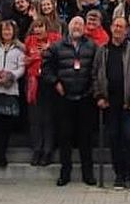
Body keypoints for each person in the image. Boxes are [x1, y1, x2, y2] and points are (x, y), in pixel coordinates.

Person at [40, 15, 99, 187]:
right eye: (74, 24)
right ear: (69, 27)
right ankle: (65, 173)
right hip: (63, 98)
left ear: (84, 28)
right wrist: (55, 82)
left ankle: (88, 173)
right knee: (64, 137)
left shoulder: (92, 46)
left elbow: (97, 70)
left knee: (85, 138)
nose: (77, 27)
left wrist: (92, 89)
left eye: (80, 24)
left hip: (85, 98)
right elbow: (46, 68)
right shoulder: (56, 46)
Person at [93, 15, 130, 191]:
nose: (117, 29)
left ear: (126, 30)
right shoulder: (102, 50)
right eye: (115, 25)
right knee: (114, 139)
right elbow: (95, 75)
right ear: (111, 28)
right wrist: (99, 96)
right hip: (109, 104)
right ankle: (119, 175)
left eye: (121, 26)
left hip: (129, 103)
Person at [0, 19, 25, 168]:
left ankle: (2, 155)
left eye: (9, 30)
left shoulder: (19, 50)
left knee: (5, 126)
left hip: (10, 90)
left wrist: (11, 76)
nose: (7, 32)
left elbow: (22, 67)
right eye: (4, 30)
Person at [24, 18, 61, 165]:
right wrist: (32, 58)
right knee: (35, 118)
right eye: (35, 27)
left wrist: (46, 51)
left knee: (48, 118)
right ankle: (37, 149)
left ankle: (48, 150)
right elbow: (25, 60)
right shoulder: (28, 41)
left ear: (47, 28)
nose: (38, 30)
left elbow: (59, 58)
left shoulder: (55, 40)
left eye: (41, 27)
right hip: (33, 82)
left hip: (49, 82)